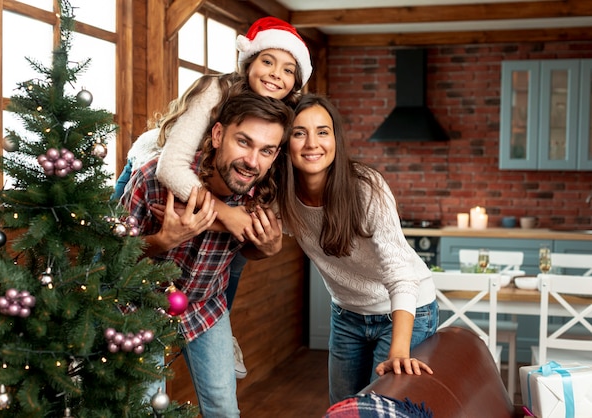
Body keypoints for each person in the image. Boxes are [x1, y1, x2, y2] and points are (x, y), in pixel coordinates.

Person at [112, 16, 312, 378]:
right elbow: (170, 169)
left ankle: (224, 324)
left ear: (296, 83)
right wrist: (231, 218)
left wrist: (242, 227)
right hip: (152, 163)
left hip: (205, 182)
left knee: (233, 258)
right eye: (267, 61)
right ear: (248, 61)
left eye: (287, 70)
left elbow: (277, 197)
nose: (274, 75)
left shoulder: (283, 118)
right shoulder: (218, 91)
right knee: (109, 248)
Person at [120, 91, 293, 417]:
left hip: (206, 305)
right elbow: (113, 258)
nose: (252, 161)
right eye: (244, 142)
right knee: (144, 410)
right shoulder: (153, 178)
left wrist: (267, 249)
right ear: (217, 135)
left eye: (266, 150)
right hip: (139, 305)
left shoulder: (263, 196)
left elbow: (247, 252)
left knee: (225, 410)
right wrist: (161, 241)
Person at [276, 94, 439, 405]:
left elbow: (401, 274)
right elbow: (245, 221)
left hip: (406, 311)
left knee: (381, 408)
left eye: (323, 131)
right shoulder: (282, 196)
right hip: (347, 314)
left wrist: (399, 351)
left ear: (336, 139)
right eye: (299, 132)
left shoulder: (366, 188)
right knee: (342, 407)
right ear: (286, 143)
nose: (312, 143)